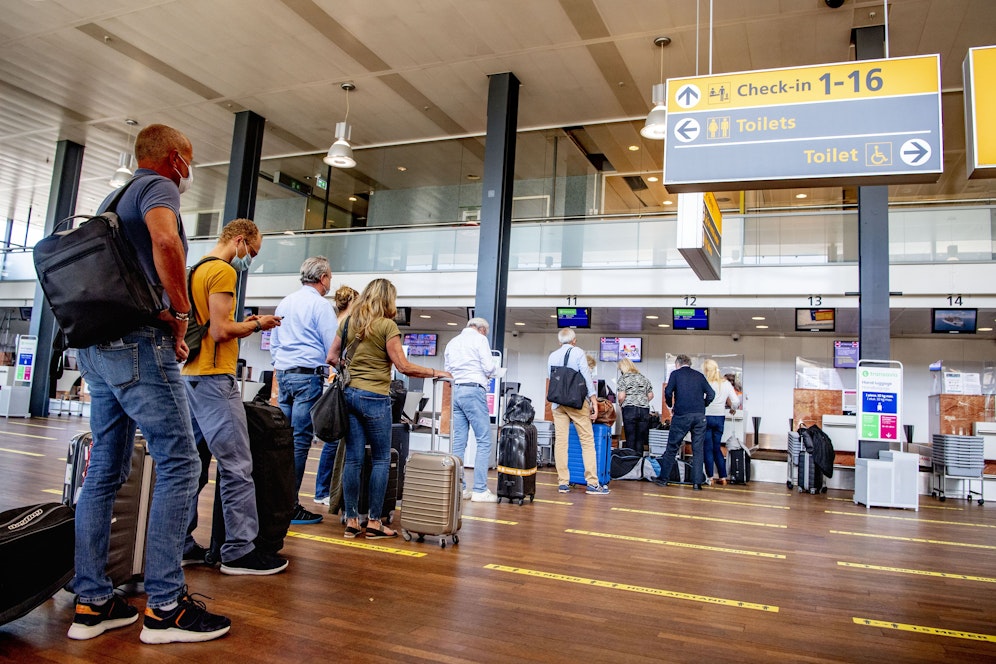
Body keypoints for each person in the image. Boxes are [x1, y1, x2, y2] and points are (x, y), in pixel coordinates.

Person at [68, 123, 230, 644]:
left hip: (98, 350)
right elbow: (165, 240)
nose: (190, 171)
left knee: (105, 471)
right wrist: (181, 312)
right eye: (190, 160)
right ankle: (166, 607)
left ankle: (92, 603)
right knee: (182, 462)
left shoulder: (112, 199)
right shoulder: (157, 187)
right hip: (139, 344)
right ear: (175, 159)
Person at [181, 219, 286, 574]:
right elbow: (221, 330)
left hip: (190, 377)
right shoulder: (224, 271)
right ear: (239, 241)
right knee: (238, 466)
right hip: (214, 379)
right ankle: (240, 550)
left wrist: (246, 320)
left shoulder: (196, 268)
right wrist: (259, 324)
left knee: (192, 466)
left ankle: (181, 542)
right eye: (251, 253)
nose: (249, 260)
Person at [327, 278, 451, 539]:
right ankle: (373, 522)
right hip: (374, 398)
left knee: (353, 458)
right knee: (382, 458)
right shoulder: (387, 325)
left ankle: (351, 519)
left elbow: (331, 357)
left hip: (349, 395)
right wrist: (435, 371)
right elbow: (403, 366)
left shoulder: (349, 323)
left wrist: (350, 372)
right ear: (388, 300)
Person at [269, 256, 338, 525]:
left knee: (280, 441)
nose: (330, 281)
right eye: (329, 276)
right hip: (307, 378)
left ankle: (274, 501)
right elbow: (332, 348)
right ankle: (291, 505)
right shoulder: (320, 306)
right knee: (299, 442)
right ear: (322, 279)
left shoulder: (285, 301)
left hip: (284, 376)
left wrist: (280, 365)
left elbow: (274, 340)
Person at [444, 317, 500, 503]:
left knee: (459, 442)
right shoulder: (480, 339)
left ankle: (460, 489)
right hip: (474, 390)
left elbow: (447, 370)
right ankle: (480, 490)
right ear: (482, 330)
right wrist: (493, 371)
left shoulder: (452, 342)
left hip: (456, 390)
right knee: (484, 440)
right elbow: (489, 366)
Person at [547, 329, 610, 495]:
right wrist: (594, 400)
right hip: (576, 402)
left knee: (561, 442)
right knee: (587, 440)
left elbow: (551, 377)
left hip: (557, 403)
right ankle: (592, 483)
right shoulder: (578, 352)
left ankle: (563, 483)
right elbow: (587, 377)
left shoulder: (552, 355)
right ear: (574, 340)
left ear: (560, 341)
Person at [313, 285, 359, 506]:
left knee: (335, 441)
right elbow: (333, 356)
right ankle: (322, 490)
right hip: (338, 386)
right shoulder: (341, 324)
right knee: (332, 441)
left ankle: (326, 490)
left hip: (336, 384)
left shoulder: (340, 322)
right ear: (351, 301)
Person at [653, 354, 714, 490]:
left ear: (677, 364)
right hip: (699, 417)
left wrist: (670, 405)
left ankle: (663, 479)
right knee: (698, 450)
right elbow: (711, 394)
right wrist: (703, 405)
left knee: (672, 447)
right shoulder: (699, 376)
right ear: (689, 363)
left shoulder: (675, 374)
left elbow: (668, 392)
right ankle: (697, 483)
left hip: (682, 416)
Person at [702, 359, 741, 485]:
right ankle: (723, 477)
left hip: (706, 417)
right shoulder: (725, 384)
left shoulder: (705, 382)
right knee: (716, 447)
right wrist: (733, 410)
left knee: (707, 448)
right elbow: (735, 401)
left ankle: (710, 477)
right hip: (720, 418)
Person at [616, 357, 654, 455]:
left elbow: (621, 396)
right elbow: (650, 395)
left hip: (629, 409)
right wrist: (642, 401)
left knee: (630, 438)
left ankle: (630, 463)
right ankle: (639, 462)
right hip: (644, 410)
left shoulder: (624, 378)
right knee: (640, 439)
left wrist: (621, 404)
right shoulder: (643, 378)